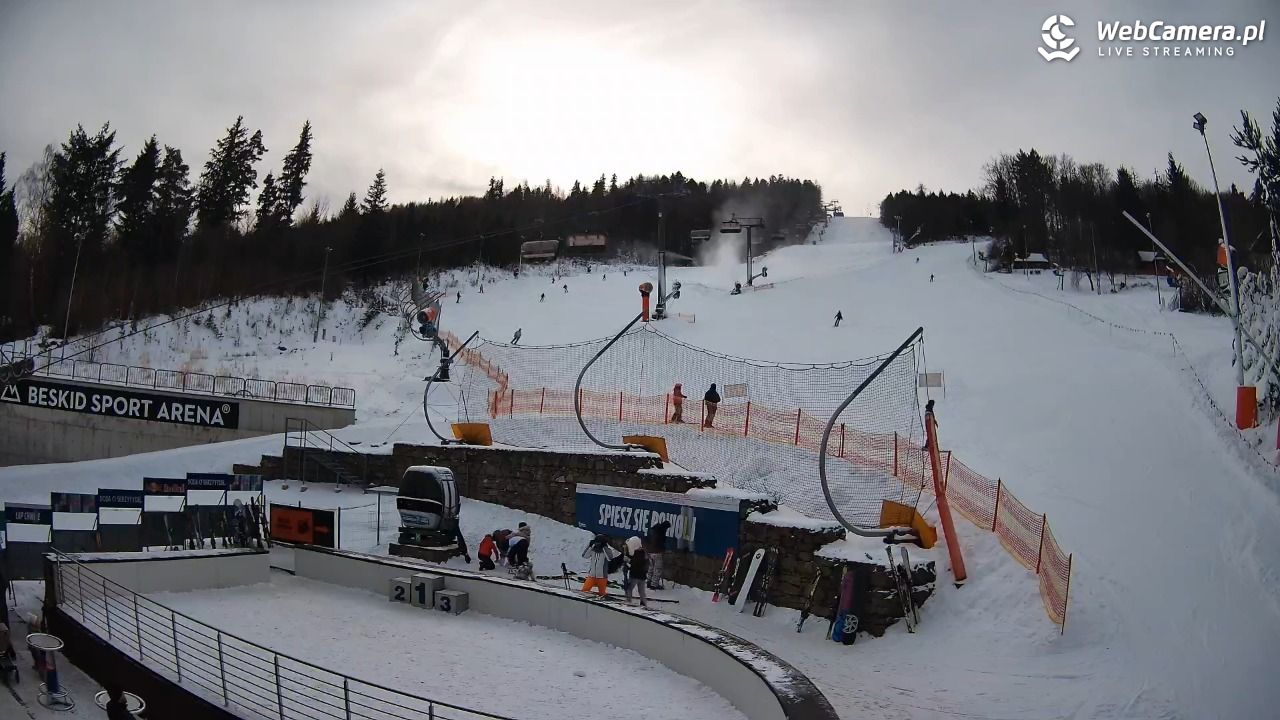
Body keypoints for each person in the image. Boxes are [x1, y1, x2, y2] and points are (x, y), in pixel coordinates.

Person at [623, 536, 649, 607]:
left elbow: (636, 563)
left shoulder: (638, 553)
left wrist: (629, 560)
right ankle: (643, 603)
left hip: (635, 575)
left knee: (629, 588)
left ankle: (628, 600)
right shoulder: (643, 553)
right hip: (642, 575)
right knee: (641, 591)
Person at [646, 520, 671, 590]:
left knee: (651, 567)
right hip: (657, 552)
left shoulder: (654, 530)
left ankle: (648, 581)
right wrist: (663, 548)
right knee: (657, 569)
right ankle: (654, 585)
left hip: (650, 551)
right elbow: (660, 542)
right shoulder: (661, 532)